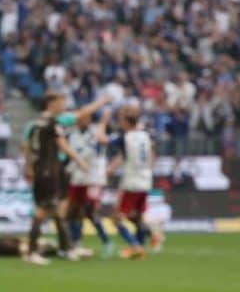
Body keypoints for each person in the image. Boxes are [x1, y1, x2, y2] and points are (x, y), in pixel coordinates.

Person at [23, 92, 88, 266]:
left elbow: (27, 147)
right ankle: (32, 252)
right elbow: (63, 144)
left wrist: (28, 166)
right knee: (42, 211)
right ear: (51, 103)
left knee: (57, 210)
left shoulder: (35, 124)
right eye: (61, 102)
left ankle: (65, 248)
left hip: (41, 170)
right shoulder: (52, 123)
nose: (63, 106)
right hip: (48, 171)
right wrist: (79, 161)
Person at [107, 107, 162, 259]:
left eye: (121, 120)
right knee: (137, 216)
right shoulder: (145, 135)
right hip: (145, 180)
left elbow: (103, 140)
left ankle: (135, 246)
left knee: (116, 217)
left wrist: (103, 121)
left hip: (131, 182)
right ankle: (150, 237)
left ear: (126, 121)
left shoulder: (126, 137)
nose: (119, 123)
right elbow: (151, 155)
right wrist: (147, 171)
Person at [66, 109, 114, 258]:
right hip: (76, 178)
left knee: (88, 211)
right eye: (79, 117)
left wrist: (104, 122)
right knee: (73, 211)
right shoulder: (71, 136)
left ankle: (106, 242)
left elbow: (97, 149)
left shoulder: (95, 134)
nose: (82, 120)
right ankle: (76, 243)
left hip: (93, 178)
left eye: (85, 117)